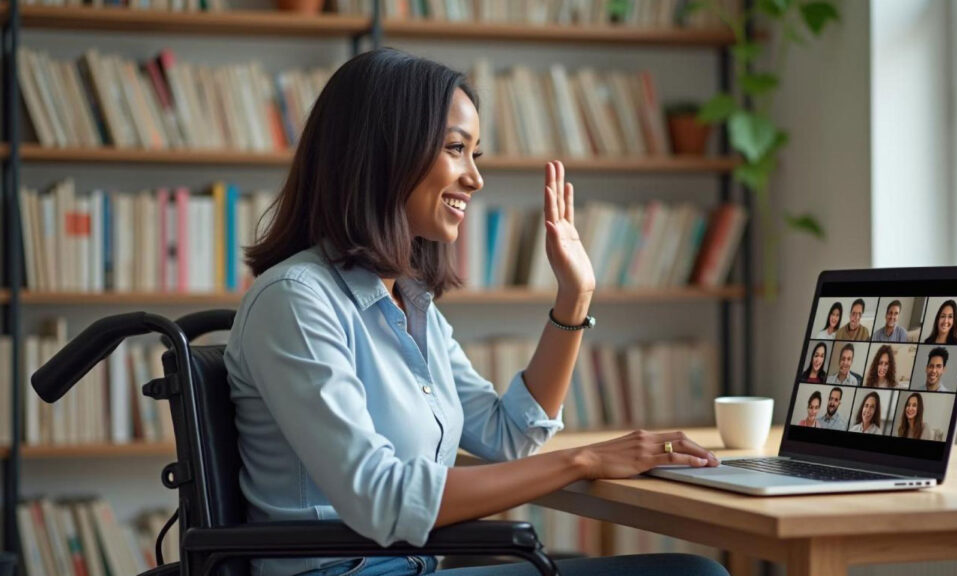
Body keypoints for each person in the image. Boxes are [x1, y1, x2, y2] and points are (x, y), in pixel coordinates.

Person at [223, 49, 727, 576]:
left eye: (475, 154)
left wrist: (574, 296)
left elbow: (508, 436)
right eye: (456, 149)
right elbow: (381, 499)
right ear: (383, 153)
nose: (475, 178)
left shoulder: (409, 302)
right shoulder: (295, 300)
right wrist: (584, 459)